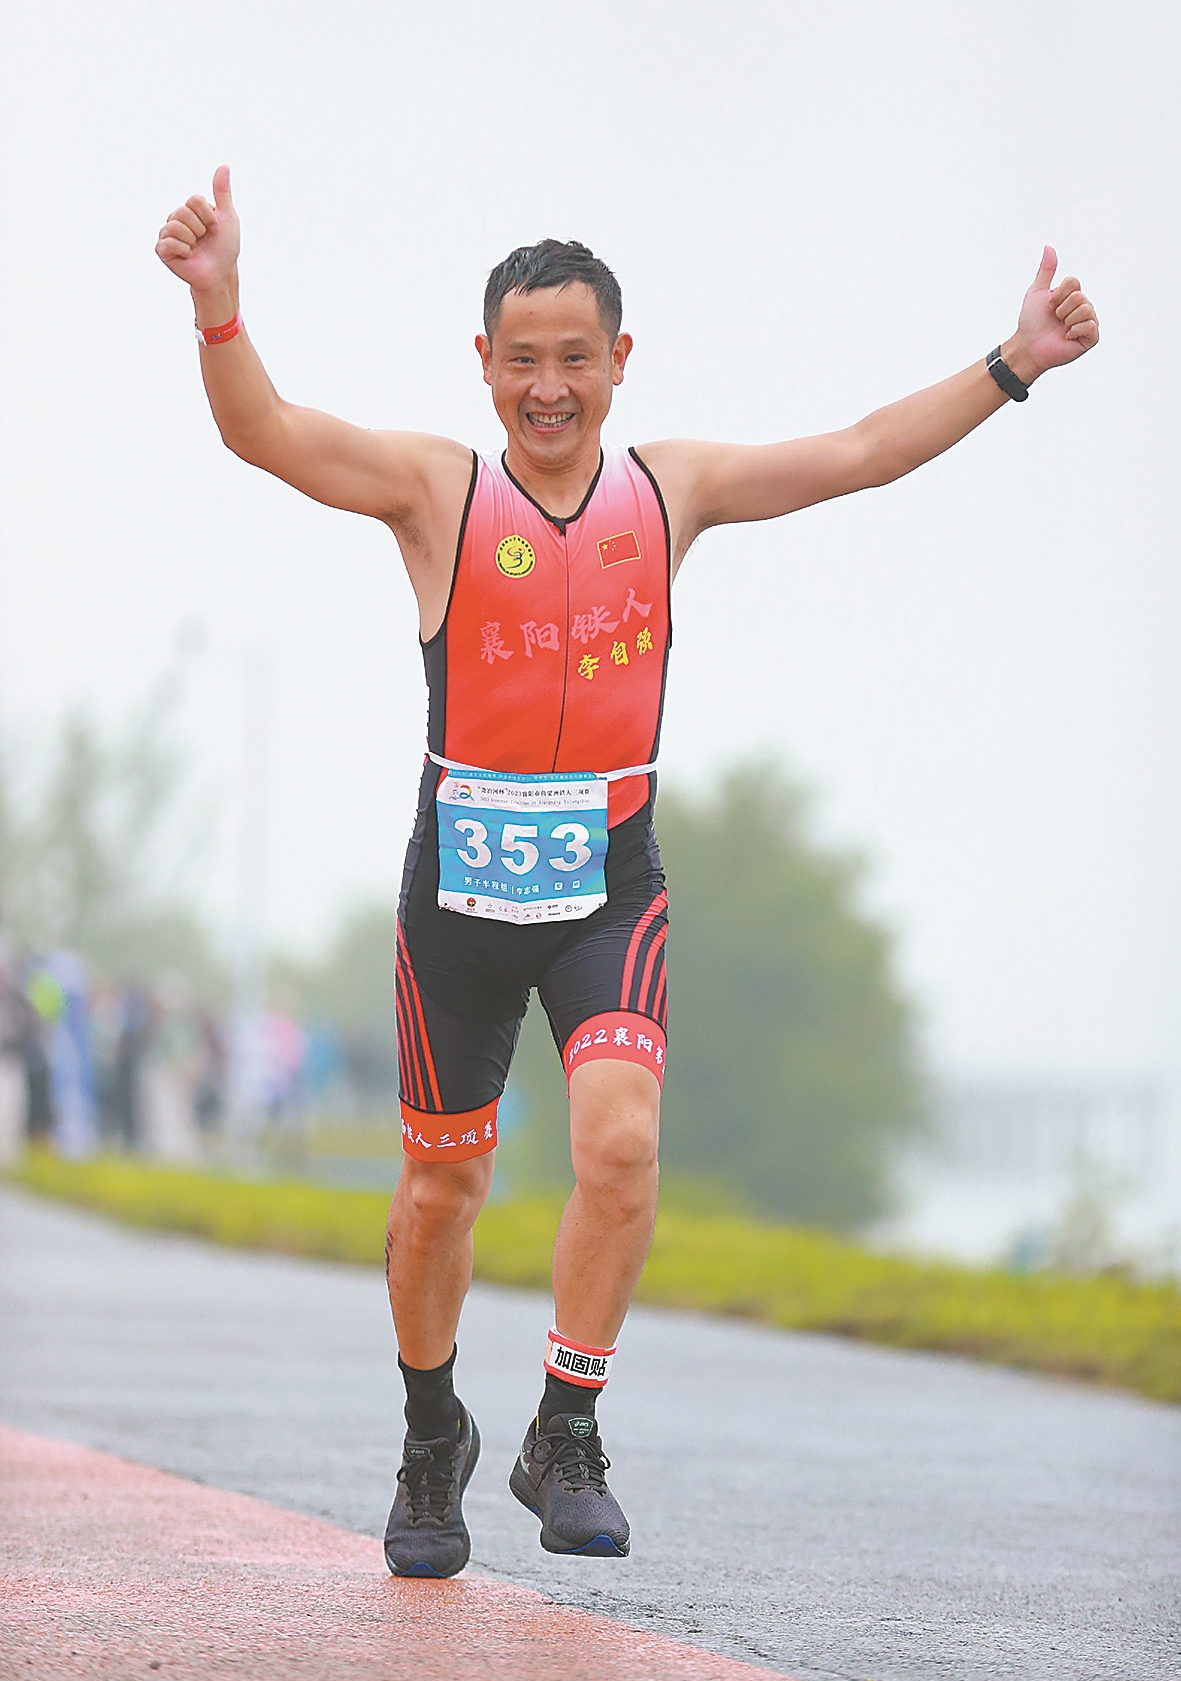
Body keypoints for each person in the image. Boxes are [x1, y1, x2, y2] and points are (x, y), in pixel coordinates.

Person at [156, 167, 1098, 1577]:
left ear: (618, 362)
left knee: (618, 1145)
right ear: (485, 365)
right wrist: (220, 306)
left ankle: (567, 1427)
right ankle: (431, 1435)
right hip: (458, 893)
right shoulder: (436, 491)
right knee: (441, 1192)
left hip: (607, 879)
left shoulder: (670, 491)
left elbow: (857, 452)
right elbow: (268, 434)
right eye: (522, 361)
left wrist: (1013, 361)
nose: (549, 389)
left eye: (575, 360)